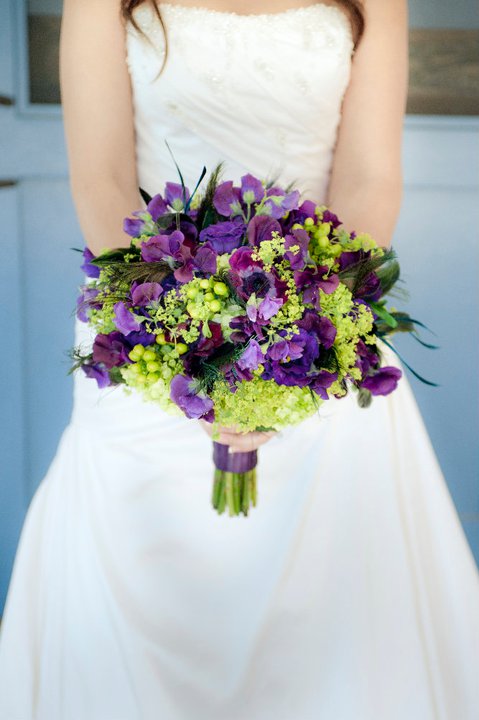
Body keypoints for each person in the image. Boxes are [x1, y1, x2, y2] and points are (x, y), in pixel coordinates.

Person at [0, 1, 478, 718]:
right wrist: (173, 349)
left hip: (315, 331)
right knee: (143, 599)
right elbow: (100, 176)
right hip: (148, 333)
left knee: (330, 612)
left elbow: (371, 178)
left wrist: (319, 331)